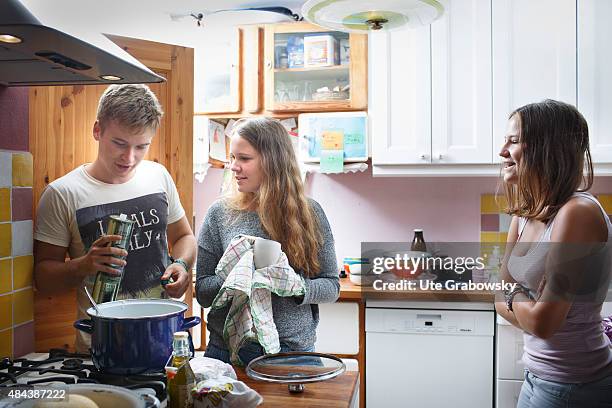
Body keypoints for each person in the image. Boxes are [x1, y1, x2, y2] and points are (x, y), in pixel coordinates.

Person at [34, 84, 197, 352]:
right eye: (119, 143)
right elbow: (43, 278)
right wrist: (84, 265)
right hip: (102, 346)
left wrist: (181, 264)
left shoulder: (158, 176)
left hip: (167, 339)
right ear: (97, 130)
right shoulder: (62, 193)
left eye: (141, 146)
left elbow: (183, 237)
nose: (129, 158)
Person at [495, 99, 612, 407]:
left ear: (548, 148)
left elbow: (544, 324)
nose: (502, 152)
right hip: (537, 375)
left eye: (514, 141)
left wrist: (513, 294)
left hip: (576, 384)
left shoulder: (578, 213)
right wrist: (523, 299)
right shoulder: (523, 214)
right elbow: (497, 298)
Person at [195, 117, 339, 365]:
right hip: (226, 352)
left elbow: (331, 287)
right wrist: (236, 273)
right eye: (232, 157)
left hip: (293, 355)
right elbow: (203, 293)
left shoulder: (310, 214)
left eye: (244, 159)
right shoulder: (220, 214)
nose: (233, 166)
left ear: (273, 162)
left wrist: (295, 286)